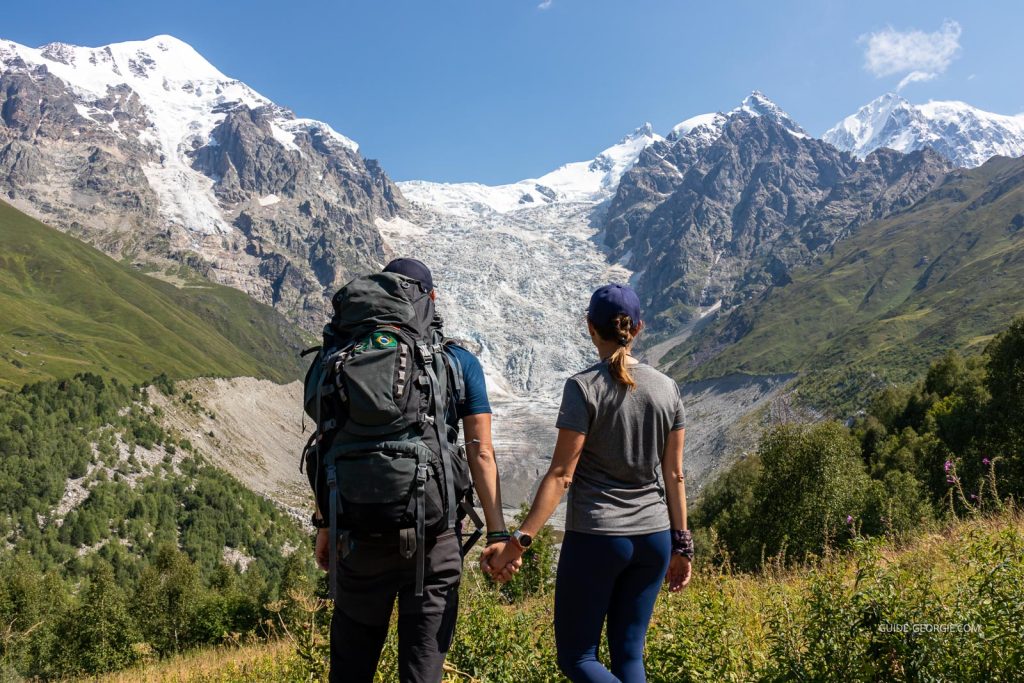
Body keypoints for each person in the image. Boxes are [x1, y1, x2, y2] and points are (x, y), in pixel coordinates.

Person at [312, 258, 515, 683]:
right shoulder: (456, 361)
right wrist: (497, 534)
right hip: (433, 541)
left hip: (357, 539)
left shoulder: (339, 357)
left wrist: (325, 525)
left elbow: (326, 442)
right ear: (430, 298)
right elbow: (480, 451)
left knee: (350, 672)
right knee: (421, 674)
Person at [483, 283, 693, 683]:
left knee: (578, 659)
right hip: (654, 539)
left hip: (598, 537)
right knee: (629, 658)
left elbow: (562, 475)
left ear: (589, 328)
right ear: (638, 328)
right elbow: (675, 474)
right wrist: (682, 545)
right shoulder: (668, 388)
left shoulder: (584, 388)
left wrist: (519, 540)